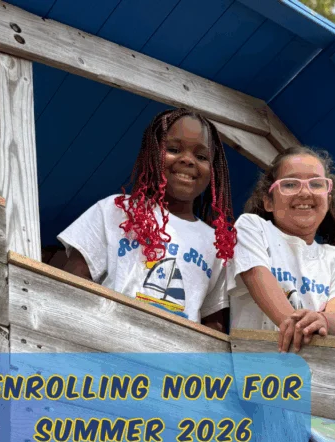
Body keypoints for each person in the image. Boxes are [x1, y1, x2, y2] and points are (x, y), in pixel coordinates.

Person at [227, 146, 335, 442]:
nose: (304, 192)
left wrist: (322, 318)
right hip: (258, 387)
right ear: (269, 200)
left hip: (319, 391)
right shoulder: (252, 227)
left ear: (328, 194)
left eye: (315, 183)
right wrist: (292, 321)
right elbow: (256, 275)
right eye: (290, 184)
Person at [58, 108, 236, 331]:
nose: (188, 160)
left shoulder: (216, 243)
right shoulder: (115, 209)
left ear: (214, 171)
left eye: (201, 157)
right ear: (152, 153)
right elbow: (73, 281)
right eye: (173, 149)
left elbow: (213, 323)